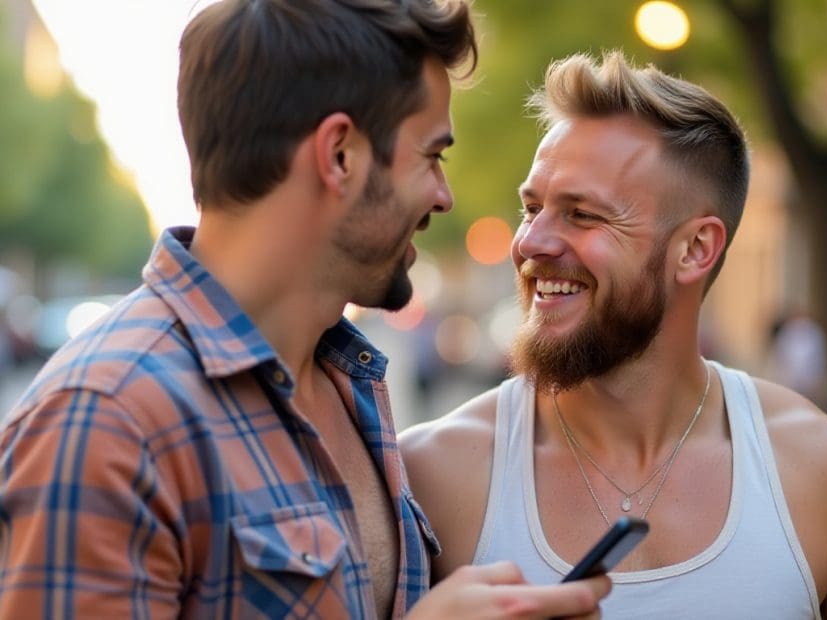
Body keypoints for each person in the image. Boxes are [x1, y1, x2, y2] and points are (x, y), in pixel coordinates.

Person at [0, 2, 609, 618]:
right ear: (339, 154)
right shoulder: (107, 421)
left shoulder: (348, 383)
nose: (445, 197)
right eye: (432, 156)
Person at [400, 49, 827, 618]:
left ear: (695, 249)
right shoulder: (431, 476)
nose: (530, 243)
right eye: (533, 208)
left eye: (583, 214)